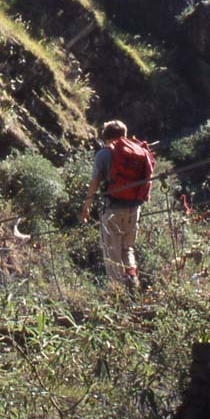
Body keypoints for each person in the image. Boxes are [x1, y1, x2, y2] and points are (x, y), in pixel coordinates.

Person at [80, 120, 155, 291]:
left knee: (111, 252)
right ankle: (132, 283)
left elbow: (94, 183)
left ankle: (118, 294)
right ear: (124, 135)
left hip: (113, 209)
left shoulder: (104, 154)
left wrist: (86, 207)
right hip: (134, 209)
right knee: (127, 249)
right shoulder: (138, 152)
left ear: (105, 137)